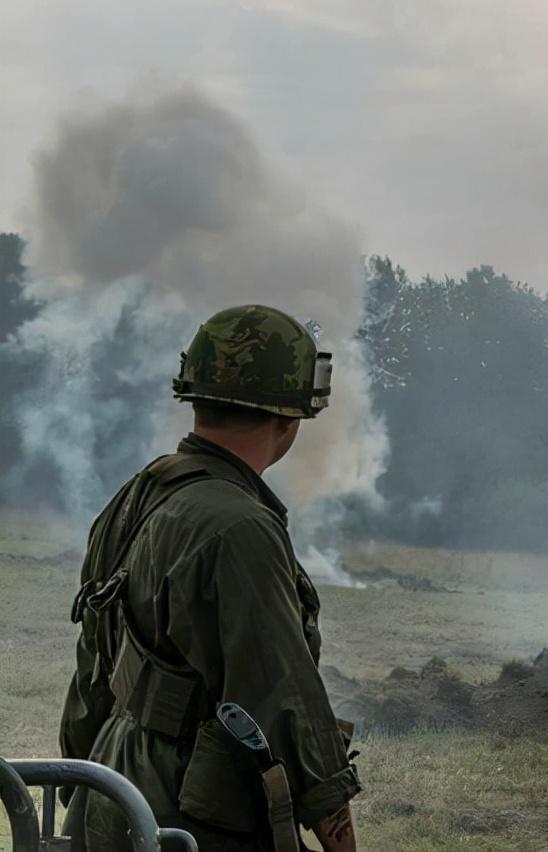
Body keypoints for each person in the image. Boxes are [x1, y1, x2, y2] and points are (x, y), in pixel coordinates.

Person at [59, 305, 360, 852]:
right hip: (191, 809)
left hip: (111, 785)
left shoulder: (135, 497)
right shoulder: (240, 526)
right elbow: (284, 696)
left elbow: (95, 662)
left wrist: (80, 777)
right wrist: (337, 833)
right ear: (290, 416)